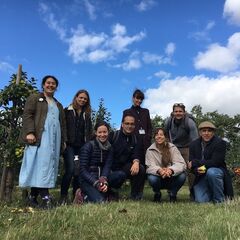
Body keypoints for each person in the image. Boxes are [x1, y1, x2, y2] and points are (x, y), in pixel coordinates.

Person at [19, 75, 67, 208]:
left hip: (54, 139)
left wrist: (63, 140)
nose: (50, 85)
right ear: (43, 85)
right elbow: (27, 115)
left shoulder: (58, 104)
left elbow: (62, 124)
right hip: (40, 137)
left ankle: (32, 197)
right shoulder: (35, 98)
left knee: (48, 165)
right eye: (48, 83)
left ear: (56, 87)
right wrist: (29, 132)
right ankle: (45, 197)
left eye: (53, 84)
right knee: (40, 165)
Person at [60, 90, 92, 204]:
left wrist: (88, 144)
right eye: (81, 97)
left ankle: (76, 196)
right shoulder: (66, 111)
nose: (82, 100)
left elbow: (89, 131)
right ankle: (63, 196)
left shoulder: (87, 114)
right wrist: (63, 141)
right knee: (70, 170)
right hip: (69, 146)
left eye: (85, 99)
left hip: (82, 147)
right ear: (76, 97)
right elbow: (63, 128)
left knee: (79, 172)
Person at [189, 121, 234, 203]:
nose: (206, 133)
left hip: (216, 171)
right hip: (201, 175)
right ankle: (211, 194)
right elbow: (191, 165)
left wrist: (197, 162)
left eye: (209, 131)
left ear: (213, 132)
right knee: (201, 201)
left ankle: (219, 200)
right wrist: (196, 170)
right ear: (200, 132)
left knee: (212, 172)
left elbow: (215, 162)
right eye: (204, 131)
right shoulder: (193, 144)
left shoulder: (220, 143)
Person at [165, 103, 198, 199]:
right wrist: (168, 148)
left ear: (184, 112)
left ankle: (193, 193)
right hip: (173, 147)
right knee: (171, 168)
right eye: (176, 111)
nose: (178, 113)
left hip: (188, 147)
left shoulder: (190, 122)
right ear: (173, 112)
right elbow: (165, 135)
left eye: (180, 111)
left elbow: (195, 141)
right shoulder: (168, 121)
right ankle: (171, 192)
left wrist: (192, 157)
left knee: (191, 168)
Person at [108, 114, 145, 200]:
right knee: (119, 175)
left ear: (134, 126)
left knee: (140, 169)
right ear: (122, 125)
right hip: (110, 168)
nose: (129, 126)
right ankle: (110, 192)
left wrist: (136, 162)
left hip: (124, 167)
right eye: (127, 123)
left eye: (132, 124)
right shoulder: (113, 136)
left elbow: (136, 153)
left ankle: (135, 195)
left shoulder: (135, 139)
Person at [146, 128, 186, 202]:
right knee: (152, 178)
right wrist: (159, 170)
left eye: (161, 134)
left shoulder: (172, 148)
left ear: (165, 137)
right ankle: (157, 193)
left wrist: (171, 170)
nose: (159, 136)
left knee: (182, 176)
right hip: (158, 177)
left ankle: (173, 194)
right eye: (157, 135)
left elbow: (181, 163)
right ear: (154, 137)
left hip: (171, 177)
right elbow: (149, 166)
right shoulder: (150, 150)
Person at [79, 121, 112, 203]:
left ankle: (108, 192)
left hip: (101, 178)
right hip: (87, 180)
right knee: (101, 202)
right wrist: (96, 183)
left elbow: (107, 166)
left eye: (105, 132)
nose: (102, 135)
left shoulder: (110, 148)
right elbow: (82, 170)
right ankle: (81, 195)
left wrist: (103, 180)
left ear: (108, 132)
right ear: (95, 133)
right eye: (100, 132)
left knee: (120, 175)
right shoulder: (88, 146)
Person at [122, 89, 152, 166]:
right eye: (137, 98)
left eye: (141, 99)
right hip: (133, 143)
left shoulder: (146, 111)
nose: (139, 100)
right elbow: (123, 128)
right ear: (133, 98)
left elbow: (149, 127)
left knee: (146, 166)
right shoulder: (127, 112)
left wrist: (148, 137)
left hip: (145, 143)